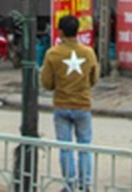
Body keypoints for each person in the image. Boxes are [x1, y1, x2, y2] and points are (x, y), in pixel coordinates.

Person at [41, 14, 99, 192]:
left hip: (61, 105)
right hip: (83, 106)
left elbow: (47, 83)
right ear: (77, 31)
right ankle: (85, 185)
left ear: (60, 32)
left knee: (65, 148)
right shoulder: (88, 52)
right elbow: (94, 79)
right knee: (84, 147)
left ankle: (70, 185)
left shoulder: (52, 54)